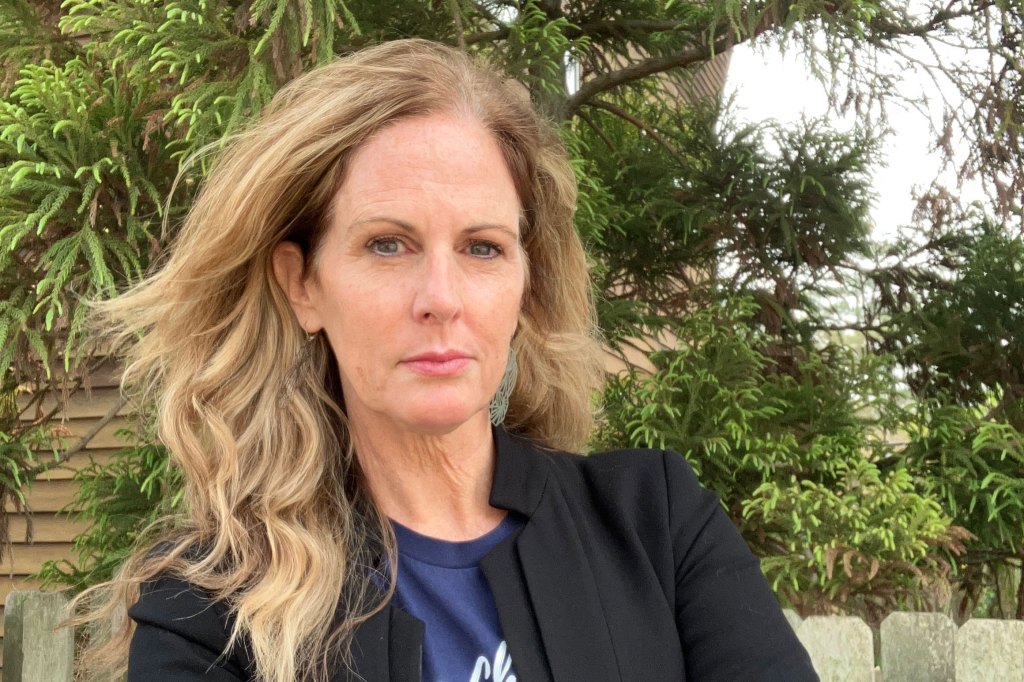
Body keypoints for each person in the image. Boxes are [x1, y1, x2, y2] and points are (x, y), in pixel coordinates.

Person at [74, 39, 818, 682]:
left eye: (482, 248)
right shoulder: (209, 607)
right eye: (387, 244)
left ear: (525, 285)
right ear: (303, 286)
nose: (442, 297)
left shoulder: (656, 525)